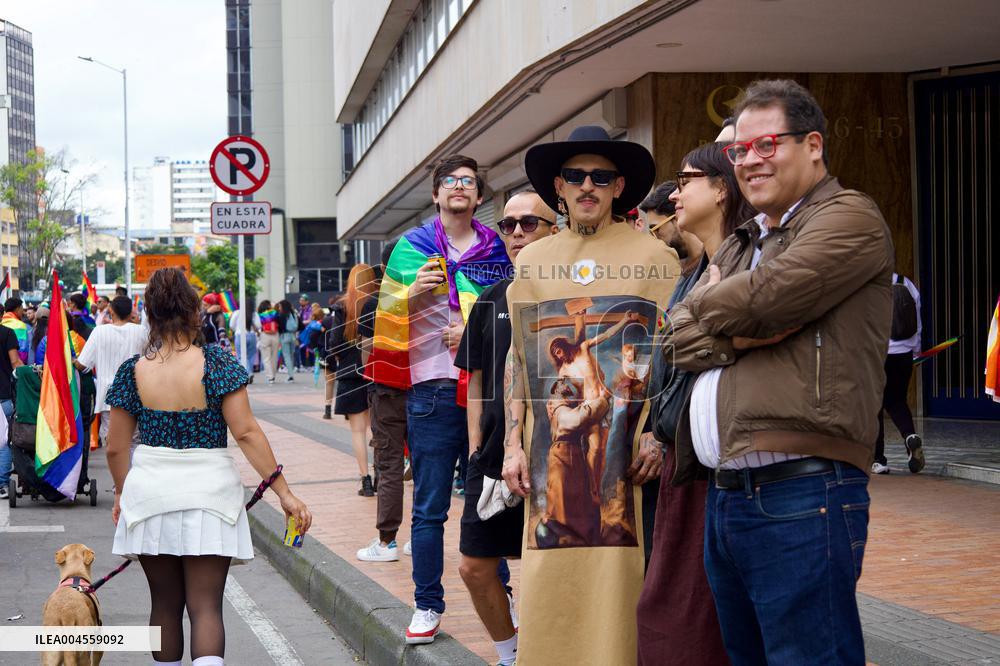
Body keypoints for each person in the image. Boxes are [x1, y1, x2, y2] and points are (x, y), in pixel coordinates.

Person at [667, 79, 893, 664]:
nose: (750, 160)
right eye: (740, 151)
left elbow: (771, 296)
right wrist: (739, 325)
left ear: (813, 144)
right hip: (727, 497)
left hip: (803, 490)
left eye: (767, 144)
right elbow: (675, 339)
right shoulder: (744, 241)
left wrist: (724, 310)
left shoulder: (850, 217)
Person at [502, 125, 679, 664]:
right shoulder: (532, 263)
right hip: (548, 446)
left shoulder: (654, 259)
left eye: (601, 177)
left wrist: (657, 432)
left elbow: (674, 354)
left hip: (630, 460)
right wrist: (511, 442)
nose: (587, 186)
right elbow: (518, 360)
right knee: (549, 571)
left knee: (625, 581)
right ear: (559, 185)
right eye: (576, 176)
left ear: (619, 187)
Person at [105, 267, 312, 666]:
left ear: (149, 312)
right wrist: (284, 493)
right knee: (206, 608)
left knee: (163, 605)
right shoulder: (216, 363)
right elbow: (247, 432)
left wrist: (120, 492)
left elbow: (115, 449)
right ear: (192, 310)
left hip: (149, 494)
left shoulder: (133, 371)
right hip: (210, 494)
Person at [366, 155, 511, 644]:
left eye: (469, 182)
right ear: (436, 194)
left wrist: (470, 332)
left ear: (478, 196)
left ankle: (501, 591)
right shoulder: (411, 248)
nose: (460, 188)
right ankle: (427, 605)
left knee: (489, 497)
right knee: (429, 508)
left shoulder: (496, 249)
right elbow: (382, 318)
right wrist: (410, 296)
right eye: (450, 181)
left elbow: (509, 312)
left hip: (486, 389)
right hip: (432, 388)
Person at [636, 142, 755, 665]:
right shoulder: (695, 270)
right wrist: (656, 431)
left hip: (727, 471)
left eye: (685, 180)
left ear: (723, 188)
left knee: (703, 623)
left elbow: (698, 348)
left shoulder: (749, 261)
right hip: (684, 464)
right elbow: (673, 359)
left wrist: (688, 329)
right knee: (674, 614)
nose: (675, 193)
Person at [454, 190, 556, 665]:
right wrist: (476, 444)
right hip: (494, 456)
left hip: (558, 457)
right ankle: (510, 654)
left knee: (547, 568)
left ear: (553, 229)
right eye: (509, 225)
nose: (516, 233)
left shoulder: (569, 295)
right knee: (475, 567)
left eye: (529, 224)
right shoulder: (490, 300)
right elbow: (474, 380)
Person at [356, 240, 412, 563]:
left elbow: (367, 350)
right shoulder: (426, 296)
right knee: (426, 466)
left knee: (389, 465)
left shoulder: (375, 302)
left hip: (386, 390)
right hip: (424, 388)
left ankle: (387, 542)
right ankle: (420, 541)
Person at [328, 264, 378, 496]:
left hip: (350, 374)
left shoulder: (341, 306)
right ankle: (381, 476)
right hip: (377, 372)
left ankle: (365, 480)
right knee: (378, 430)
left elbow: (334, 343)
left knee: (358, 431)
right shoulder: (379, 303)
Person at [74, 296, 148, 447]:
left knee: (113, 442)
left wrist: (70, 360)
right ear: (130, 313)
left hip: (108, 397)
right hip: (136, 395)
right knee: (134, 442)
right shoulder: (142, 332)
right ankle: (131, 470)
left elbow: (82, 364)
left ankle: (119, 470)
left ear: (111, 311)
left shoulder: (99, 332)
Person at [873, 273, 924, 474]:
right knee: (897, 400)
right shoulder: (906, 284)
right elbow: (917, 321)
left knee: (874, 404)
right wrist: (916, 351)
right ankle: (910, 436)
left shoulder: (866, 284)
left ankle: (878, 460)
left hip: (877, 354)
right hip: (904, 353)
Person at [0, 304, 24, 499]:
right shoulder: (7, 333)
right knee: (4, 441)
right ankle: (1, 485)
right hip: (4, 394)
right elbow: (15, 362)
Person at [230, 305, 261, 382]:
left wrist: (237, 329)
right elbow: (259, 325)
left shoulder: (237, 313)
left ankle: (248, 373)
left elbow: (231, 325)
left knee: (241, 355)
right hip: (252, 335)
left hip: (240, 335)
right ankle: (249, 372)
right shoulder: (254, 314)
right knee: (251, 356)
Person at [276, 300, 300, 382]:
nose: (279, 308)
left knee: (286, 357)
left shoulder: (281, 315)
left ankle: (290, 376)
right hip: (293, 336)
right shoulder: (293, 314)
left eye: (280, 306)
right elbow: (299, 325)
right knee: (291, 356)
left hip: (284, 336)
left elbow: (279, 327)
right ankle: (291, 373)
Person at [257, 300, 280, 384]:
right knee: (274, 357)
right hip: (275, 335)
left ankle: (270, 377)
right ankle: (273, 375)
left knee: (266, 358)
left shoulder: (260, 315)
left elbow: (258, 325)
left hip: (265, 335)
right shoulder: (275, 313)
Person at [2, 297, 30, 363]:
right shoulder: (20, 325)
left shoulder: (1, 323)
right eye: (22, 309)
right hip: (15, 366)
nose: (23, 312)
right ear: (17, 309)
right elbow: (23, 353)